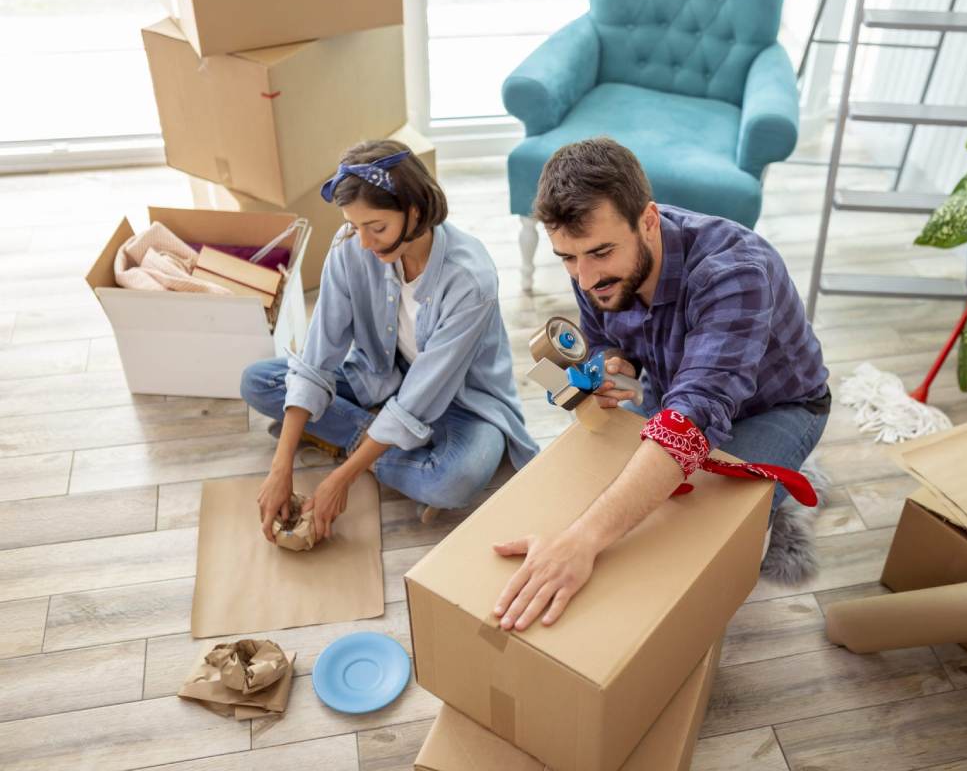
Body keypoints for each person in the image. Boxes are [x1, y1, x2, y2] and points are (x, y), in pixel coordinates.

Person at [492, 137, 829, 632]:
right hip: (674, 394)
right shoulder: (594, 262)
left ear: (648, 220)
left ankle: (776, 498)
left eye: (600, 253)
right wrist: (614, 365)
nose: (584, 279)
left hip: (775, 406)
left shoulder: (734, 272)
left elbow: (694, 415)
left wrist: (582, 541)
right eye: (567, 258)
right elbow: (606, 338)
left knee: (695, 541)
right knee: (610, 486)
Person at [241, 139, 538, 543]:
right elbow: (317, 357)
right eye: (355, 225)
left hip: (463, 402)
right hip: (380, 376)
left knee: (454, 481)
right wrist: (281, 466)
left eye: (376, 227)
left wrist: (340, 479)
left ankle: (350, 438)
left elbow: (423, 395)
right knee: (258, 382)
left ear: (414, 211)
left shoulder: (470, 280)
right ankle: (379, 439)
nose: (363, 241)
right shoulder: (352, 246)